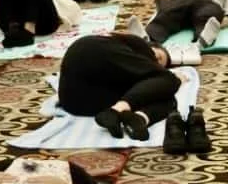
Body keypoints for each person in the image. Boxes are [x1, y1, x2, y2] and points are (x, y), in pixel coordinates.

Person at [57, 31, 204, 149]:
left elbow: (150, 86)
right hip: (93, 53)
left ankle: (139, 118)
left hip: (77, 102)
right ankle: (118, 110)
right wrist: (174, 78)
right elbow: (162, 77)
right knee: (169, 81)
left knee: (167, 98)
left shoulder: (132, 71)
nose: (154, 62)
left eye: (158, 64)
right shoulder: (136, 45)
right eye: (158, 57)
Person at [145, 0, 228, 50]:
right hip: (180, 1)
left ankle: (202, 40)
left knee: (206, 17)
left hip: (207, 2)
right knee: (165, 17)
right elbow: (164, 6)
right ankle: (146, 38)